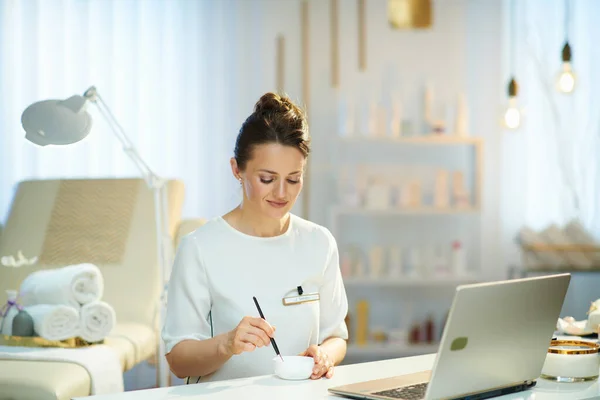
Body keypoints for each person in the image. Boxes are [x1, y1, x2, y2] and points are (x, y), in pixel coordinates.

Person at [162, 92, 349, 383]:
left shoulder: (319, 243)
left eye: (293, 178)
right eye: (267, 179)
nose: (282, 193)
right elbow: (178, 360)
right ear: (237, 169)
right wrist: (227, 344)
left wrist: (325, 355)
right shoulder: (200, 248)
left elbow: (336, 337)